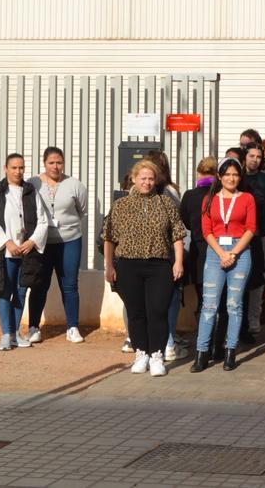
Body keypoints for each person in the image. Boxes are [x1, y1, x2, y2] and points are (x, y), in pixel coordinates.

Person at [102, 160, 186, 376]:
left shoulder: (165, 204)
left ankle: (157, 354)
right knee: (136, 311)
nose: (147, 183)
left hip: (159, 265)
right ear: (134, 179)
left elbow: (177, 235)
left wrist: (178, 261)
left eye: (150, 179)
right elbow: (109, 237)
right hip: (128, 265)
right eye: (143, 178)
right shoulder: (120, 206)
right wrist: (109, 265)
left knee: (157, 310)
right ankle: (141, 352)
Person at [192, 157, 257, 372]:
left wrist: (234, 253)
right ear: (219, 176)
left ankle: (230, 352)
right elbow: (206, 230)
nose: (231, 178)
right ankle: (201, 353)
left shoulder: (247, 198)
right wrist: (221, 253)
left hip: (240, 252)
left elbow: (251, 228)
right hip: (215, 252)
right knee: (209, 306)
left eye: (235, 174)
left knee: (234, 305)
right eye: (227, 174)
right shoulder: (209, 199)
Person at [0, 154, 49, 350]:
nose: (18, 171)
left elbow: (42, 220)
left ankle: (15, 333)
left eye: (21, 167)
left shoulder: (30, 192)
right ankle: (6, 334)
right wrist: (7, 242)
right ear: (6, 168)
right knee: (5, 291)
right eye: (14, 167)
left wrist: (32, 241)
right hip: (6, 253)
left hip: (26, 252)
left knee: (21, 292)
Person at [26, 147, 89, 344]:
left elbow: (82, 211)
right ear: (44, 163)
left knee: (69, 285)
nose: (56, 166)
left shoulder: (74, 184)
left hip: (69, 240)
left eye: (59, 162)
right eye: (51, 162)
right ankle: (34, 327)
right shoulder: (33, 183)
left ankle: (72, 327)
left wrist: (67, 225)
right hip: (42, 242)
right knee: (39, 285)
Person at [144, 150, 187, 362]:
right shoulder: (171, 191)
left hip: (143, 254)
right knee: (170, 298)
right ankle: (168, 341)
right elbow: (178, 225)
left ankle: (141, 343)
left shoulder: (134, 189)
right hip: (167, 253)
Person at [179, 157, 215, 346]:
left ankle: (204, 338)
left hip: (199, 249)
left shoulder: (190, 195)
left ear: (198, 173)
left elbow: (184, 221)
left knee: (202, 297)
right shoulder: (219, 194)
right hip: (219, 248)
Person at [240, 143, 265, 336]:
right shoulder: (237, 177)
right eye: (251, 155)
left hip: (262, 233)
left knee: (258, 277)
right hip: (239, 235)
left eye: (258, 156)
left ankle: (254, 317)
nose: (254, 159)